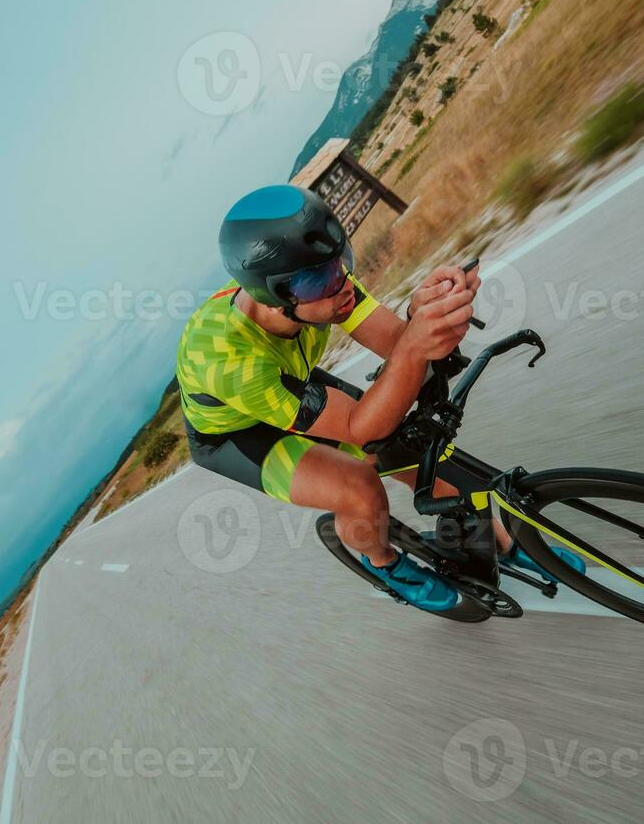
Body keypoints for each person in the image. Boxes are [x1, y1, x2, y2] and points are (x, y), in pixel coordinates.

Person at [175, 184, 583, 612]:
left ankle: (505, 545)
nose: (342, 283)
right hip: (238, 433)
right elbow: (360, 425)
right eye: (322, 278)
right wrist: (414, 346)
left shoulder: (319, 285)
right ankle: (383, 563)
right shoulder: (228, 359)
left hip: (285, 382)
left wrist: (423, 314)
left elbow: (398, 345)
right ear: (277, 297)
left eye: (341, 261)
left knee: (412, 450)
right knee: (360, 487)